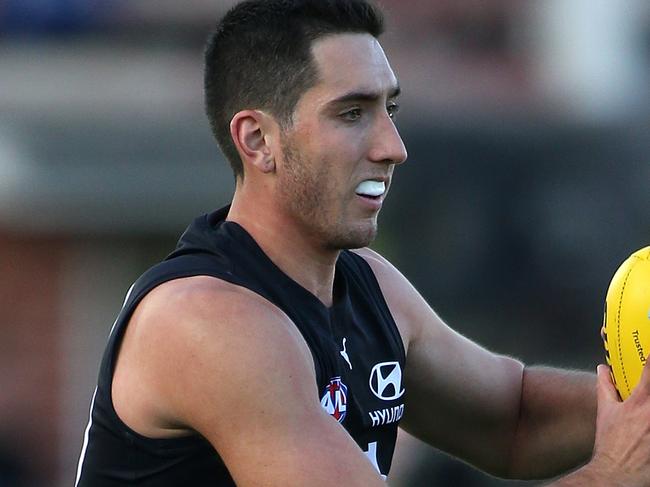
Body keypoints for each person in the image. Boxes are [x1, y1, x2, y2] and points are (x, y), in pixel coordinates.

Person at [75, 1, 650, 485]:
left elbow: (515, 419)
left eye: (389, 109)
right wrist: (611, 475)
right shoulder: (206, 321)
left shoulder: (368, 283)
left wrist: (640, 402)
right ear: (258, 140)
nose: (392, 146)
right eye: (351, 113)